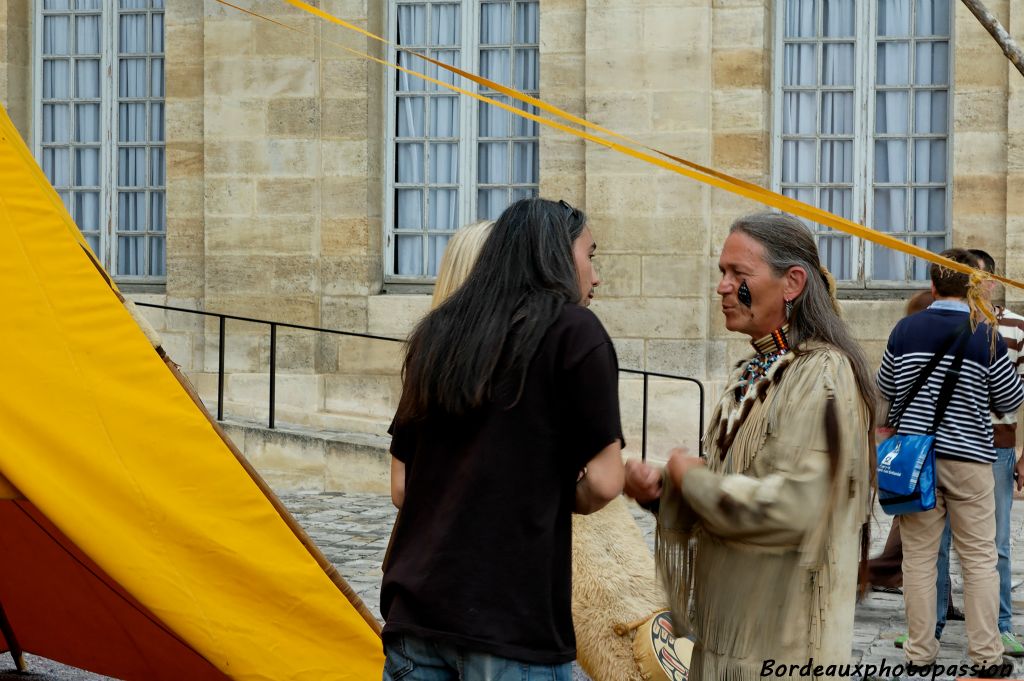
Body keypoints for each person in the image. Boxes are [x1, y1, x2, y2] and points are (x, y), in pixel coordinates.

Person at [381, 197, 625, 681]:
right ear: (556, 255)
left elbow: (403, 487)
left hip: (416, 615)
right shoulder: (574, 331)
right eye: (590, 255)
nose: (595, 277)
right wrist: (547, 497)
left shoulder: (437, 332)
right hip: (512, 622)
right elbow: (603, 481)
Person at [625, 212, 874, 680]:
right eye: (722, 273)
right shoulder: (751, 374)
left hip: (784, 646)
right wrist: (664, 493)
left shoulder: (823, 375)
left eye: (738, 275)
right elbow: (733, 488)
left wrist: (691, 478)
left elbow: (794, 507)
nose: (722, 286)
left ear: (792, 282)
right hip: (729, 634)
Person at [876, 248, 1024, 675]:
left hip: (917, 460)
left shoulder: (905, 329)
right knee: (978, 559)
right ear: (973, 287)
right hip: (970, 459)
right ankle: (985, 657)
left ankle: (920, 656)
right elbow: (1010, 399)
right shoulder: (987, 333)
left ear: (933, 285)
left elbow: (884, 385)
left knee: (919, 560)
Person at [965, 248, 1024, 656]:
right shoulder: (952, 322)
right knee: (942, 539)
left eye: (977, 276)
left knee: (998, 541)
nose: (973, 284)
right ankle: (931, 623)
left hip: (999, 447)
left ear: (993, 280)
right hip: (952, 445)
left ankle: (1002, 623)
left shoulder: (1017, 328)